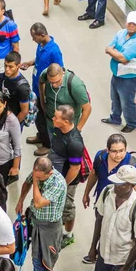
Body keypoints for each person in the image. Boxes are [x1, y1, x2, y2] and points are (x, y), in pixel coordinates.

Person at [82, 133, 136, 264]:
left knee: (116, 236)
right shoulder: (101, 157)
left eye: (121, 151)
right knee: (102, 228)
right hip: (103, 202)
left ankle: (113, 268)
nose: (118, 155)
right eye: (114, 151)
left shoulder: (132, 166)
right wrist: (86, 193)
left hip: (122, 210)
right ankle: (98, 254)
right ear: (107, 150)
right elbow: (94, 174)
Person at [15, 157, 67, 271]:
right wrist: (20, 200)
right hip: (36, 220)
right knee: (40, 258)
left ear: (49, 173)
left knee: (39, 259)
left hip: (49, 227)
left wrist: (36, 182)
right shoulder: (39, 172)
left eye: (39, 176)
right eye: (34, 174)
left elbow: (38, 203)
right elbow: (27, 183)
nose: (35, 177)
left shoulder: (58, 183)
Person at [101, 11, 136, 133]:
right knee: (114, 98)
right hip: (116, 73)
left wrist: (116, 54)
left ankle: (132, 123)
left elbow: (122, 58)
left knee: (127, 103)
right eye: (129, 23)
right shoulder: (121, 33)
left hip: (129, 79)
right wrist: (117, 54)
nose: (131, 25)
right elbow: (108, 48)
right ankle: (115, 118)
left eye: (134, 24)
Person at [22, 23, 64, 156]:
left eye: (34, 37)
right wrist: (30, 63)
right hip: (36, 87)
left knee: (44, 117)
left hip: (45, 91)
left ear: (42, 35)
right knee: (38, 116)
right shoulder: (41, 45)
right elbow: (39, 60)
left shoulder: (54, 51)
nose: (33, 39)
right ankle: (41, 135)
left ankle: (47, 144)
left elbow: (60, 70)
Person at [49, 105, 84, 249]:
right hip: (55, 175)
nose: (53, 118)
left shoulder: (75, 142)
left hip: (67, 181)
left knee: (67, 207)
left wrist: (63, 185)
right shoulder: (58, 129)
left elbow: (75, 168)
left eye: (56, 117)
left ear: (66, 121)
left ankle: (68, 235)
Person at [39, 63, 92, 143]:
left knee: (66, 149)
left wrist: (77, 130)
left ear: (62, 74)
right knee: (54, 145)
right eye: (51, 82)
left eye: (57, 82)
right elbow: (41, 82)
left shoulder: (75, 85)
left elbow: (87, 108)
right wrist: (42, 102)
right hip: (51, 122)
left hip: (67, 128)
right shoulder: (45, 74)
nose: (54, 85)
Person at [2, 51, 30, 125]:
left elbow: (24, 111)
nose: (7, 69)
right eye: (5, 65)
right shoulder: (5, 76)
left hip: (15, 120)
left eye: (10, 67)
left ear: (18, 66)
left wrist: (12, 125)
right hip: (4, 114)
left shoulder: (22, 88)